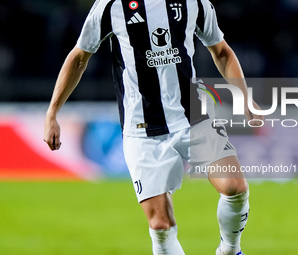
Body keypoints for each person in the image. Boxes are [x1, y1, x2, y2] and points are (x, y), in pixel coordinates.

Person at [43, 0, 263, 254]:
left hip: (193, 115)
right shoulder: (110, 6)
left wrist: (244, 96)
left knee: (235, 187)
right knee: (161, 225)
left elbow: (222, 51)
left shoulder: (195, 3)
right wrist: (52, 113)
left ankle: (230, 249)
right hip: (142, 128)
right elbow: (79, 57)